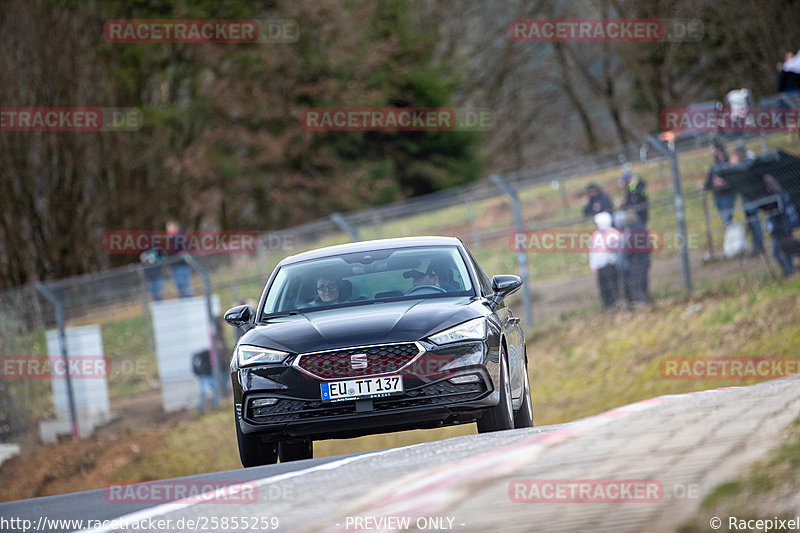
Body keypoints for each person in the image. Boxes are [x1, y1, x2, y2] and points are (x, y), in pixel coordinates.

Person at [731, 142, 765, 256]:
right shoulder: (739, 162)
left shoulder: (750, 160)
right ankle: (756, 245)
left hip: (752, 196)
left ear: (741, 152)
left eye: (737, 153)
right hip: (745, 196)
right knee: (750, 221)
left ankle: (759, 246)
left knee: (754, 221)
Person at [761, 173, 800, 276]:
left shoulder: (778, 195)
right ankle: (789, 271)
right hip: (779, 228)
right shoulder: (777, 194)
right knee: (786, 250)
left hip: (781, 228)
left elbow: (778, 213)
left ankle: (789, 271)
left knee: (781, 251)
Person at [589, 212, 619, 309]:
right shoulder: (596, 235)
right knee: (603, 287)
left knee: (613, 285)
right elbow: (593, 251)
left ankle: (616, 302)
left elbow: (618, 249)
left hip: (611, 265)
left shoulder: (614, 233)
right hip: (600, 266)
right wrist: (593, 264)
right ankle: (607, 305)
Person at [705, 140, 736, 226]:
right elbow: (708, 182)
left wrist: (725, 183)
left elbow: (735, 177)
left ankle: (732, 234)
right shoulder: (714, 165)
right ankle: (731, 232)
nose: (711, 152)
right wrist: (708, 185)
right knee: (725, 219)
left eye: (712, 149)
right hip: (718, 196)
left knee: (727, 220)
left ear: (718, 149)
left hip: (728, 194)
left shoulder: (729, 161)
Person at [191, 348, 226, 414]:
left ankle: (215, 406)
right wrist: (196, 371)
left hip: (211, 376)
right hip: (204, 376)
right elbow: (194, 359)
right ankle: (200, 409)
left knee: (215, 391)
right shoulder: (204, 354)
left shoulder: (214, 355)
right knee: (203, 392)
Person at [165, 219, 194, 298]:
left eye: (169, 227)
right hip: (175, 267)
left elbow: (184, 250)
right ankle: (184, 303)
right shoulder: (171, 239)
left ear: (175, 227)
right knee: (180, 288)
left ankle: (189, 302)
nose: (167, 230)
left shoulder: (181, 237)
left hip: (181, 266)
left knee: (185, 287)